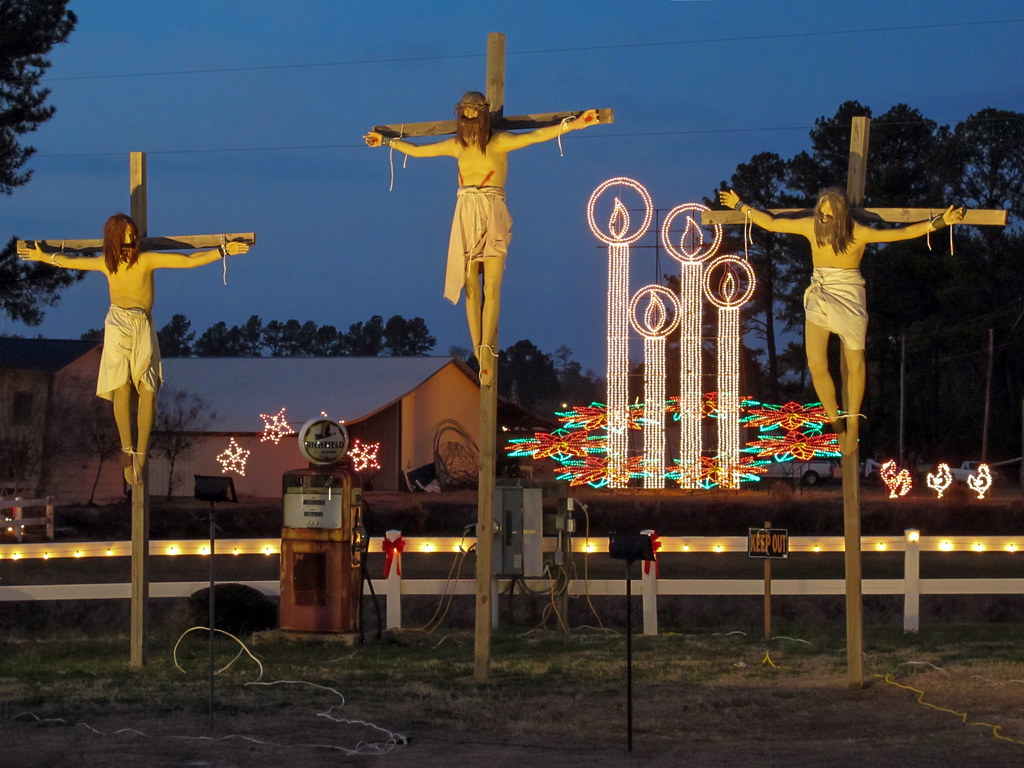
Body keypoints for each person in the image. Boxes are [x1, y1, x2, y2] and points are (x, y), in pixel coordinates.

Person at [364, 91, 600, 384]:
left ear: (484, 113)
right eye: (465, 111)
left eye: (475, 111)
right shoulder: (456, 146)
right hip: (465, 212)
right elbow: (418, 150)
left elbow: (538, 135)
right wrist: (386, 141)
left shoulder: (499, 142)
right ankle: (478, 351)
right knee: (470, 287)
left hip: (492, 210)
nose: (470, 116)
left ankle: (487, 350)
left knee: (492, 285)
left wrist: (574, 124)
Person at [717, 187, 964, 454]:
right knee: (815, 362)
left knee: (855, 360)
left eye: (828, 213)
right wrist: (741, 205)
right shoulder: (811, 227)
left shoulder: (858, 232)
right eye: (820, 212)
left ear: (840, 214)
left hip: (849, 295)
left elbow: (900, 233)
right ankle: (836, 422)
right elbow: (773, 224)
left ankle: (853, 421)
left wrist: (941, 222)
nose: (823, 217)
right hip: (819, 293)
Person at [18, 213, 250, 484]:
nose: (132, 235)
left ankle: (141, 451)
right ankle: (127, 451)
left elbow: (187, 260)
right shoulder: (108, 263)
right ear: (116, 235)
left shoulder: (145, 259)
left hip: (141, 323)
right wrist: (43, 256)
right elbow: (72, 261)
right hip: (117, 322)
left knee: (148, 389)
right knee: (121, 388)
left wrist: (222, 251)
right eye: (127, 231)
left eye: (133, 231)